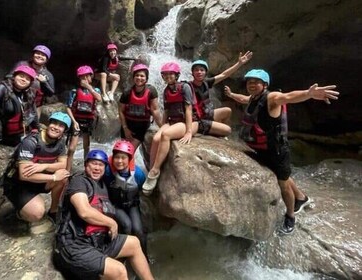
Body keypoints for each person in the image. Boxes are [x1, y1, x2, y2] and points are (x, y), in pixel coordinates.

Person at [225, 69, 339, 234]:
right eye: (249, 82)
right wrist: (231, 94)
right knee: (282, 175)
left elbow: (289, 96)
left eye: (256, 82)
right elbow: (243, 99)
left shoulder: (272, 98)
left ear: (265, 85)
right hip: (262, 149)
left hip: (277, 150)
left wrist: (308, 93)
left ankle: (291, 216)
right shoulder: (253, 98)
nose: (251, 85)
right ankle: (301, 198)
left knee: (283, 184)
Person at [53, 149, 154, 280]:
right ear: (86, 165)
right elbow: (84, 211)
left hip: (98, 242)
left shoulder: (102, 186)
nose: (97, 168)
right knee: (119, 271)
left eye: (101, 165)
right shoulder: (79, 182)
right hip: (75, 245)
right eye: (93, 164)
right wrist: (111, 223)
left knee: (134, 242)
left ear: (105, 168)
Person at [142, 62, 199, 196]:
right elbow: (166, 111)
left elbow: (188, 109)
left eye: (170, 74)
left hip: (185, 122)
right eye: (165, 75)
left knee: (166, 135)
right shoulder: (166, 90)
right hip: (172, 121)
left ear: (176, 75)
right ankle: (151, 170)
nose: (168, 77)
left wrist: (189, 131)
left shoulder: (185, 87)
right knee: (157, 137)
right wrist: (161, 127)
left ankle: (155, 171)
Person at [2, 112, 71, 222]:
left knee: (63, 176)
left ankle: (53, 212)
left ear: (64, 131)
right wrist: (53, 177)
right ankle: (20, 213)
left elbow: (63, 164)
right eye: (54, 123)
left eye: (61, 126)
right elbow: (24, 175)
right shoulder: (30, 142)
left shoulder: (60, 142)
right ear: (49, 124)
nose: (56, 127)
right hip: (19, 184)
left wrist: (43, 166)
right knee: (36, 213)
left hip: (38, 180)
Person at [189, 51, 253, 137]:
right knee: (228, 130)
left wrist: (239, 63)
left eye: (202, 70)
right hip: (198, 119)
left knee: (227, 111)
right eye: (196, 70)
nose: (199, 72)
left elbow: (224, 75)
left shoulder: (206, 82)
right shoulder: (188, 87)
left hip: (206, 114)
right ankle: (215, 131)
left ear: (205, 72)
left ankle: (218, 132)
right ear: (192, 73)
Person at [103, 140, 148, 257]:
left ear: (130, 159)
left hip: (132, 204)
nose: (119, 161)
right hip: (115, 205)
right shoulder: (108, 172)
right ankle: (125, 253)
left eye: (123, 158)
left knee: (138, 229)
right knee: (127, 225)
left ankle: (144, 255)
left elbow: (142, 190)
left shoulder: (138, 174)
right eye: (117, 157)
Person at [118, 64, 162, 151]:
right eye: (137, 75)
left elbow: (155, 110)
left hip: (142, 127)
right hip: (128, 125)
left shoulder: (151, 91)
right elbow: (121, 111)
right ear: (133, 77)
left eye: (142, 76)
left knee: (129, 151)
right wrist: (125, 128)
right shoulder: (127, 92)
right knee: (123, 151)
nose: (139, 78)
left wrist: (162, 127)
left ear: (146, 78)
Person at [8, 45, 55, 117]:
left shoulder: (48, 74)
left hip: (35, 106)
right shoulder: (22, 64)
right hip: (15, 100)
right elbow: (8, 77)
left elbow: (51, 93)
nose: (40, 56)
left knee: (32, 126)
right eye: (38, 53)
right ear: (33, 55)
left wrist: (44, 82)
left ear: (47, 59)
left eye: (43, 55)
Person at [66, 65, 102, 159]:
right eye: (82, 77)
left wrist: (89, 87)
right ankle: (67, 170)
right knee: (71, 148)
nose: (85, 79)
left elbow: (99, 98)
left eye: (87, 76)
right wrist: (73, 121)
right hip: (77, 120)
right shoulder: (74, 91)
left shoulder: (96, 90)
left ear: (91, 76)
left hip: (88, 121)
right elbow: (68, 107)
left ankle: (87, 168)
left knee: (86, 147)